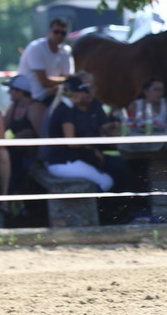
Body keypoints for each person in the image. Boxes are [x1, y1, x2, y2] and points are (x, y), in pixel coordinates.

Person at [44, 74, 139, 224]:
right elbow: (71, 143)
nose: (85, 94)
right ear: (75, 93)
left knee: (110, 175)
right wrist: (91, 146)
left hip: (62, 161)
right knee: (106, 181)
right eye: (82, 91)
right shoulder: (66, 111)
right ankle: (102, 218)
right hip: (64, 162)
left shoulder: (62, 108)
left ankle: (105, 216)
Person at [3, 74, 44, 200]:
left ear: (20, 91)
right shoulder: (13, 107)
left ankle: (16, 199)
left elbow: (43, 138)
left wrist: (39, 161)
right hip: (18, 153)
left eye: (12, 89)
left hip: (33, 155)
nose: (9, 92)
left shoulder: (35, 108)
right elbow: (2, 129)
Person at [17, 17, 74, 102]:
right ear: (49, 32)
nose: (59, 35)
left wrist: (67, 81)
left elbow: (69, 78)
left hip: (53, 95)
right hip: (31, 98)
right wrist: (65, 81)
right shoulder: (36, 48)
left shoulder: (66, 50)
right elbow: (44, 82)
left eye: (63, 33)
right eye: (56, 32)